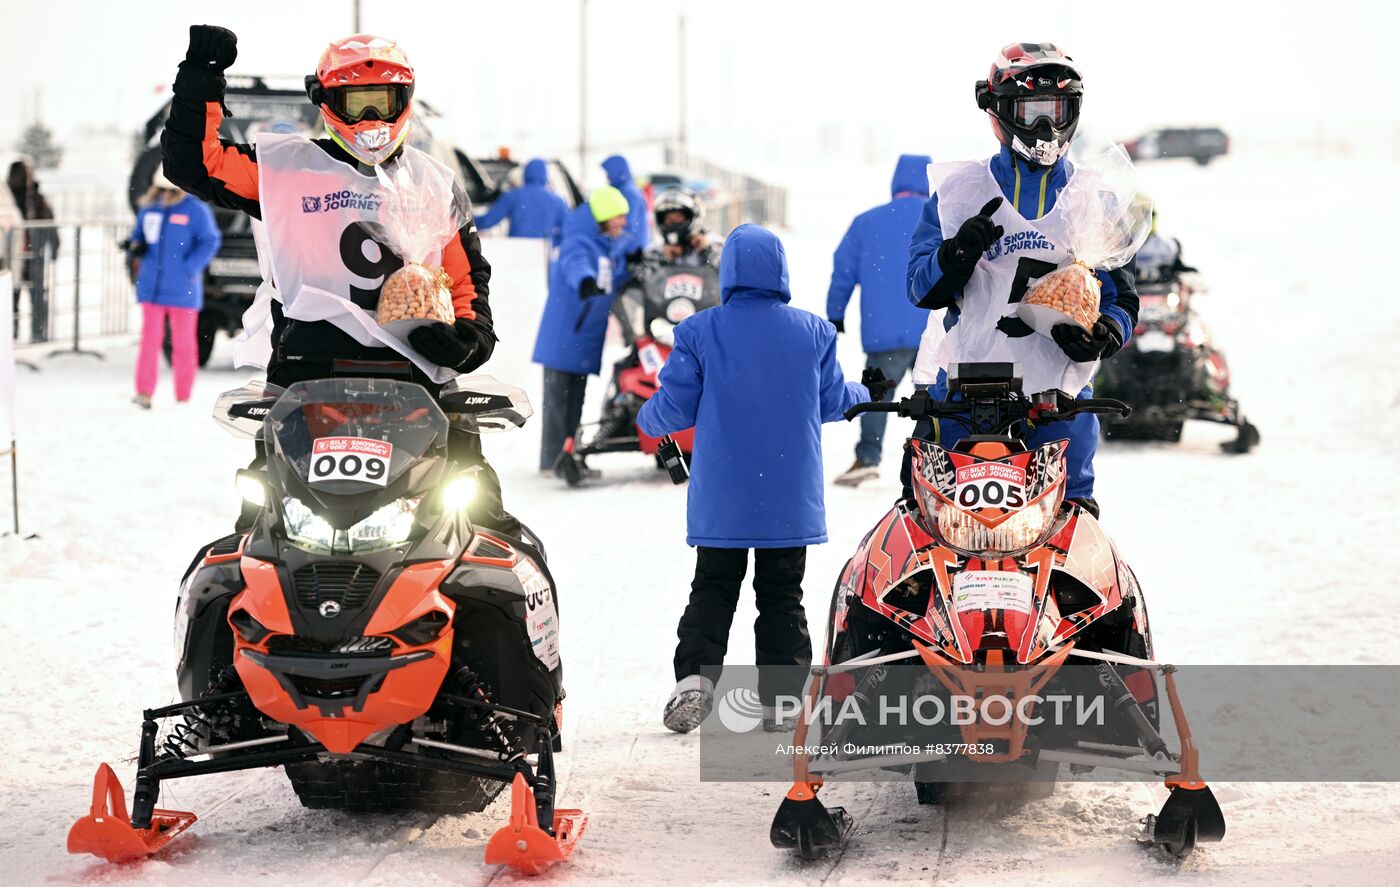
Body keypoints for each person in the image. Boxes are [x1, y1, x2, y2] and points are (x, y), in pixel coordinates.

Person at [161, 25, 517, 536]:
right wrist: (201, 78)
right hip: (308, 374)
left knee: (480, 521)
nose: (370, 118)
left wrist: (468, 340)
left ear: (405, 99)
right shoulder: (284, 169)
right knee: (264, 529)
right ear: (325, 101)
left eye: (382, 101)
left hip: (415, 374)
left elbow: (465, 278)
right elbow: (196, 163)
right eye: (355, 103)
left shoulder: (434, 181)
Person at [636, 224, 893, 734]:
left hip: (724, 496)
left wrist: (646, 419)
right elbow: (830, 401)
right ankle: (782, 698)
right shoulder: (813, 331)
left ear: (728, 271)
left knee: (712, 587)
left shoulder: (699, 331)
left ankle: (694, 682)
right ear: (780, 270)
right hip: (786, 496)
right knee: (781, 594)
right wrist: (868, 391)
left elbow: (675, 407)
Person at [905, 43, 1139, 518]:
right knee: (944, 529)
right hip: (968, 401)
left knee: (1067, 535)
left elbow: (1121, 297)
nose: (1045, 128)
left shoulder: (1093, 198)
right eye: (1030, 112)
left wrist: (1108, 333)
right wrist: (956, 255)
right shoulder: (957, 196)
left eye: (1056, 111)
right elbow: (920, 289)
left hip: (1062, 403)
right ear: (998, 111)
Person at [827, 153, 936, 487]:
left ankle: (867, 458)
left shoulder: (866, 222)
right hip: (932, 328)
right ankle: (930, 458)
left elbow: (842, 270)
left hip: (884, 331)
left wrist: (835, 313)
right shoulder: (940, 217)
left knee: (877, 397)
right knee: (933, 400)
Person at [532, 186, 637, 473]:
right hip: (565, 337)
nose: (624, 223)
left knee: (575, 404)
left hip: (584, 339)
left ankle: (571, 457)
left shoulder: (607, 249)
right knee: (557, 405)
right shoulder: (578, 243)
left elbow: (610, 281)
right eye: (619, 217)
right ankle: (552, 461)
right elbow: (574, 265)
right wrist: (584, 280)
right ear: (603, 216)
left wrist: (631, 269)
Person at [126, 165, 221, 408]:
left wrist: (190, 268)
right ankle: (144, 392)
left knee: (184, 343)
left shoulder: (195, 210)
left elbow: (209, 241)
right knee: (149, 340)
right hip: (151, 287)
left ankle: (183, 395)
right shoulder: (149, 209)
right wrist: (135, 246)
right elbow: (138, 235)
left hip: (183, 288)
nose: (164, 193)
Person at [6, 160, 58, 342]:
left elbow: (49, 224)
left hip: (33, 254)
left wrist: (54, 246)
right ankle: (10, 336)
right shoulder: (6, 199)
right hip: (12, 256)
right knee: (10, 297)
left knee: (35, 295)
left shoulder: (36, 198)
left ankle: (38, 333)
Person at [474, 158, 569, 245]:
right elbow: (567, 231)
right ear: (545, 176)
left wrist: (467, 222)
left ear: (525, 174)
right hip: (544, 252)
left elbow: (488, 220)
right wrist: (552, 242)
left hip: (518, 250)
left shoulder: (513, 196)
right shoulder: (557, 201)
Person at [601, 154, 650, 245]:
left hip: (632, 249)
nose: (607, 177)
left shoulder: (628, 193)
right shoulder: (625, 189)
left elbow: (627, 225)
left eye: (609, 173)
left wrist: (612, 250)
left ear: (617, 172)